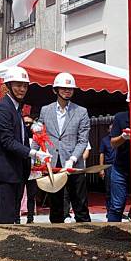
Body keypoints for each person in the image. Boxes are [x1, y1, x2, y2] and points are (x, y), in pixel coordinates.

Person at [0, 67, 49, 224]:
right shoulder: (3, 108)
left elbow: (18, 137)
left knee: (14, 216)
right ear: (8, 85)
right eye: (18, 85)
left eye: (25, 86)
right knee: (6, 218)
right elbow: (7, 141)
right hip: (5, 172)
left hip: (16, 170)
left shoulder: (16, 108)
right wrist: (33, 153)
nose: (22, 89)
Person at [34, 73, 91, 223]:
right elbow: (40, 134)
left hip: (73, 164)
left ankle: (86, 236)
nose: (67, 91)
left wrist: (72, 159)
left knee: (80, 204)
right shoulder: (45, 110)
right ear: (55, 90)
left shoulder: (81, 112)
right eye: (64, 88)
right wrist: (35, 155)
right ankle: (56, 236)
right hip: (53, 164)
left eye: (70, 88)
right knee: (56, 204)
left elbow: (82, 140)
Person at [108, 97, 131, 222]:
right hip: (121, 167)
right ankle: (111, 234)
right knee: (117, 205)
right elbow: (113, 143)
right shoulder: (120, 118)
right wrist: (123, 137)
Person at [22, 114, 39, 223]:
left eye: (29, 123)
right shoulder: (20, 137)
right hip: (21, 169)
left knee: (31, 195)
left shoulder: (36, 139)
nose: (27, 125)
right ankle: (16, 218)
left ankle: (30, 217)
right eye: (25, 123)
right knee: (18, 194)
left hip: (33, 170)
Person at [99, 124, 116, 212]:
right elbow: (102, 154)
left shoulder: (119, 139)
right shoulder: (104, 140)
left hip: (118, 166)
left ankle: (117, 209)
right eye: (111, 128)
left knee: (117, 188)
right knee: (108, 188)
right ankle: (109, 210)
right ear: (108, 130)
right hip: (108, 166)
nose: (112, 130)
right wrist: (101, 169)